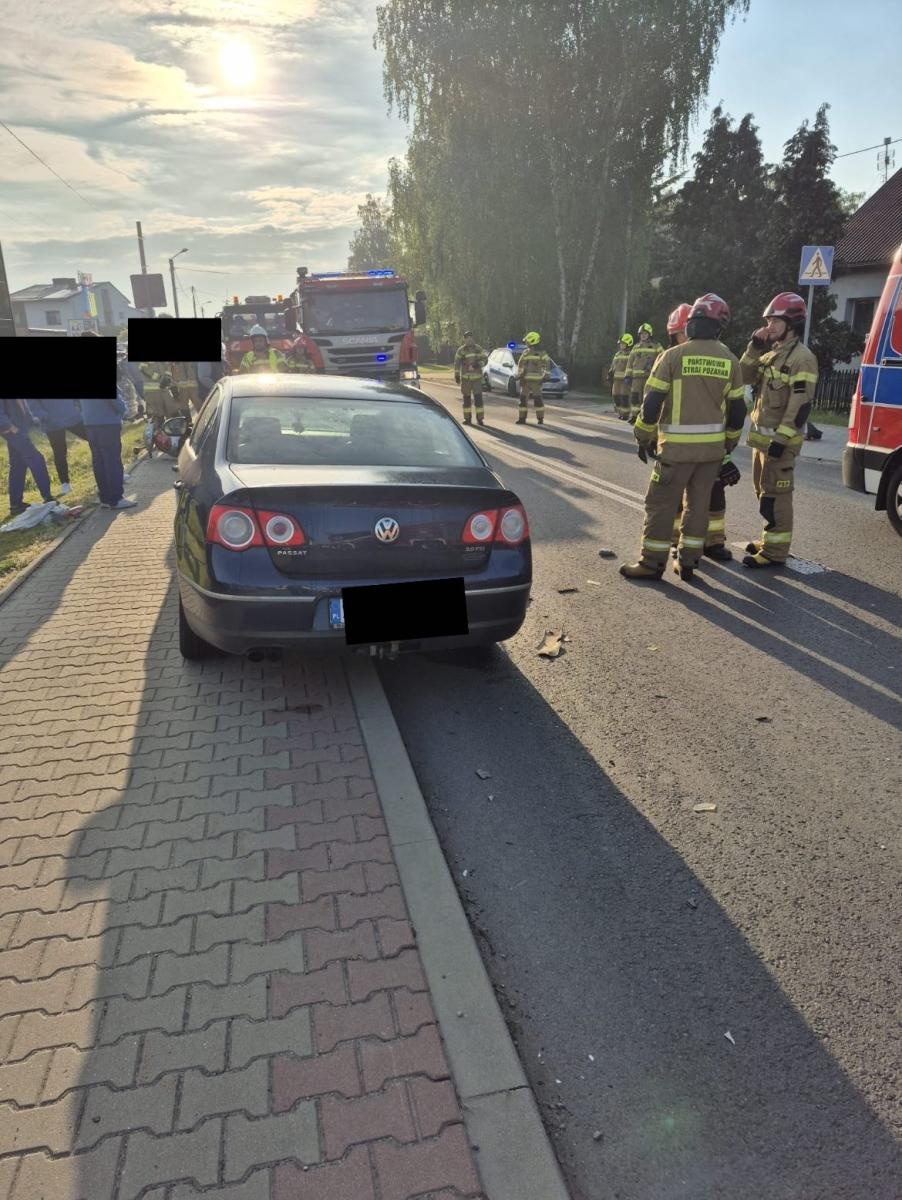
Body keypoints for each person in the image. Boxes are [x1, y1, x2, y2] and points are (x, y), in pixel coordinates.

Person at [620, 293, 747, 583]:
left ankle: (651, 564)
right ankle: (688, 562)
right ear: (719, 328)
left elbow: (652, 403)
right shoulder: (730, 360)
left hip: (675, 453)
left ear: (691, 325)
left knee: (661, 506)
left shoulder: (673, 356)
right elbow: (738, 411)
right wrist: (728, 444)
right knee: (698, 507)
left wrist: (642, 435)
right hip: (711, 455)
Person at [740, 292, 818, 568]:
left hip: (780, 443)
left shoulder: (802, 359)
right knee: (764, 493)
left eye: (775, 321)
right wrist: (753, 347)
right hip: (762, 441)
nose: (769, 326)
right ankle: (770, 539)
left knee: (778, 496)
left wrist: (781, 440)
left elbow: (800, 405)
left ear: (792, 323)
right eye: (769, 321)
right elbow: (743, 376)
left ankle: (776, 552)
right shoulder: (769, 354)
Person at [664, 303, 740, 563]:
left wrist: (728, 452)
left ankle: (714, 541)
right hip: (678, 445)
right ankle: (678, 542)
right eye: (678, 336)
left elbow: (732, 407)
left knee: (714, 494)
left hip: (712, 446)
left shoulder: (722, 358)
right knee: (676, 498)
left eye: (683, 334)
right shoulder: (671, 358)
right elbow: (656, 403)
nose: (684, 340)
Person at [78, 340, 135, 511]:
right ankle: (116, 498)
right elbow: (114, 400)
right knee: (112, 461)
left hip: (89, 422)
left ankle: (104, 497)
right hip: (107, 422)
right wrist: (124, 410)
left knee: (99, 461)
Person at [0, 399, 56, 517]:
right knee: (37, 459)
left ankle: (16, 505)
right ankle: (48, 496)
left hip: (19, 428)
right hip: (12, 430)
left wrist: (31, 419)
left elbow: (22, 404)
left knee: (18, 465)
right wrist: (9, 426)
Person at [27, 400, 88, 497]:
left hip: (72, 416)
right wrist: (44, 416)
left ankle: (112, 470)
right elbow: (33, 404)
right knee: (60, 452)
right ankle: (65, 483)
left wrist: (78, 406)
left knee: (95, 440)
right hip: (52, 423)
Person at [624, 322, 663, 423]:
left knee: (647, 398)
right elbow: (630, 362)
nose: (643, 335)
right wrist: (627, 375)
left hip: (649, 377)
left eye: (645, 333)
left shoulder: (656, 346)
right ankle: (634, 416)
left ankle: (646, 417)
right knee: (635, 397)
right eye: (641, 334)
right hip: (636, 378)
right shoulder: (636, 347)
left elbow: (663, 359)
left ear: (649, 334)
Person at [454, 332, 488, 426]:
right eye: (467, 338)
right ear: (464, 339)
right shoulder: (461, 350)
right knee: (466, 400)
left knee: (478, 400)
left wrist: (478, 365)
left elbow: (485, 360)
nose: (469, 340)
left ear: (473, 338)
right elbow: (457, 363)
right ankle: (467, 419)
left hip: (477, 379)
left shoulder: (478, 348)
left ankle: (480, 419)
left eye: (470, 338)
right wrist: (456, 375)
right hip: (466, 380)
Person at [516, 331, 550, 425]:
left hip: (536, 382)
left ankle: (540, 419)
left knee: (538, 400)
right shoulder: (525, 353)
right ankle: (522, 418)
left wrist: (546, 375)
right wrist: (520, 375)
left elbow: (547, 363)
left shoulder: (541, 353)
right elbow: (520, 364)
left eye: (527, 341)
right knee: (523, 400)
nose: (526, 342)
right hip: (526, 381)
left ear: (532, 341)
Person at [607, 333, 634, 419]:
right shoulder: (617, 354)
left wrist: (629, 377)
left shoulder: (631, 354)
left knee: (625, 397)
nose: (621, 345)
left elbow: (632, 367)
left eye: (623, 343)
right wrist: (610, 373)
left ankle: (625, 414)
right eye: (621, 344)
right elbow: (613, 365)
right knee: (615, 396)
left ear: (628, 344)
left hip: (625, 381)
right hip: (616, 380)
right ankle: (620, 412)